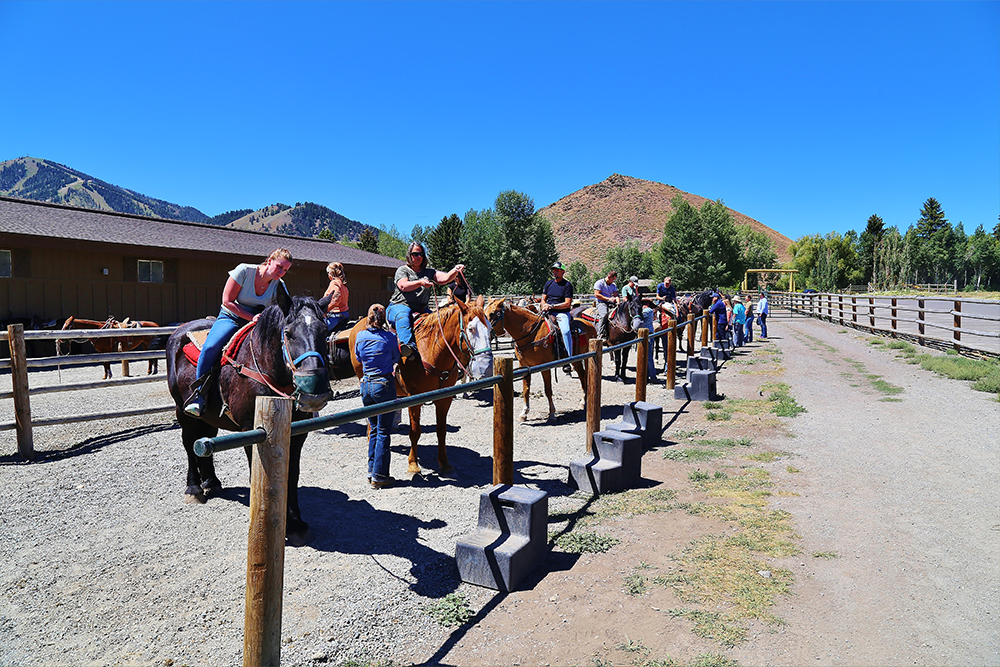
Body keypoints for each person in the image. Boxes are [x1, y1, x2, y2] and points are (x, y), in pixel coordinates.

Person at [184, 248, 293, 418]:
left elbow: (284, 309)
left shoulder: (279, 285)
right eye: (279, 266)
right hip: (232, 317)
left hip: (259, 322)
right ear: (270, 260)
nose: (281, 272)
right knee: (211, 347)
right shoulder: (244, 271)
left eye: (285, 270)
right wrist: (251, 317)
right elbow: (227, 301)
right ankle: (198, 395)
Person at [386, 242, 465, 361]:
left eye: (421, 254)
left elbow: (445, 278)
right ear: (409, 255)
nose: (418, 257)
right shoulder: (403, 270)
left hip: (421, 309)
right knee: (404, 316)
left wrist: (455, 270)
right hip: (399, 306)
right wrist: (420, 282)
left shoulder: (429, 272)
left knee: (439, 319)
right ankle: (408, 347)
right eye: (415, 254)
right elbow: (403, 286)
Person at [354, 303, 401, 489]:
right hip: (383, 384)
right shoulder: (390, 337)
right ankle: (380, 476)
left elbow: (358, 357)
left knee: (373, 428)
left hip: (365, 385)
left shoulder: (360, 336)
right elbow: (396, 358)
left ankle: (371, 470)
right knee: (383, 431)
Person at [537, 261, 574, 373]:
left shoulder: (567, 285)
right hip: (548, 311)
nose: (555, 272)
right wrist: (544, 305)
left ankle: (568, 358)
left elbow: (567, 303)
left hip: (561, 313)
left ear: (563, 272)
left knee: (566, 331)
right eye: (554, 270)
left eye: (557, 270)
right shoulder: (548, 284)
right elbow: (543, 299)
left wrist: (552, 306)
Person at [592, 270, 620, 341]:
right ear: (609, 277)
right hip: (601, 302)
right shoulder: (599, 283)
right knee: (604, 315)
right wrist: (609, 299)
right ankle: (600, 334)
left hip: (610, 302)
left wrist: (618, 302)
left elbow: (616, 294)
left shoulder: (613, 285)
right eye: (613, 279)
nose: (613, 281)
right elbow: (597, 294)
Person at [323, 262, 350, 332]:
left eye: (328, 273)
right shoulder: (343, 284)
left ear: (331, 274)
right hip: (345, 314)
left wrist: (324, 311)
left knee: (318, 331)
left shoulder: (334, 283)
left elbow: (336, 299)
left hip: (336, 315)